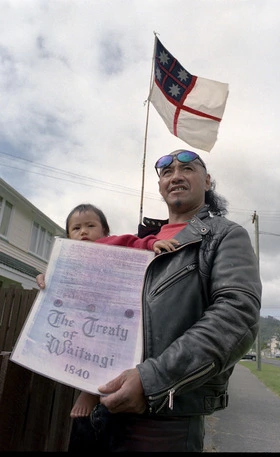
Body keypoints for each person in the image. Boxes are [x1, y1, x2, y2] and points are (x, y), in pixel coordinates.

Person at [93, 149, 262, 452]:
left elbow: (238, 315)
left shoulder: (224, 236)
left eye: (187, 168)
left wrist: (152, 380)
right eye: (167, 172)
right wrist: (56, 281)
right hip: (100, 407)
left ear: (207, 181)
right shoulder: (139, 244)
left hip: (165, 420)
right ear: (160, 186)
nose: (175, 176)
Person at [36, 203, 179, 422]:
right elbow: (55, 278)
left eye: (90, 226)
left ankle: (90, 393)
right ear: (68, 235)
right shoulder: (68, 257)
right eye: (76, 228)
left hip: (113, 312)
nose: (83, 232)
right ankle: (86, 387)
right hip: (79, 316)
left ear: (104, 231)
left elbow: (137, 243)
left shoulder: (111, 243)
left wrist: (154, 243)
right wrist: (46, 278)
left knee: (106, 350)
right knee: (76, 347)